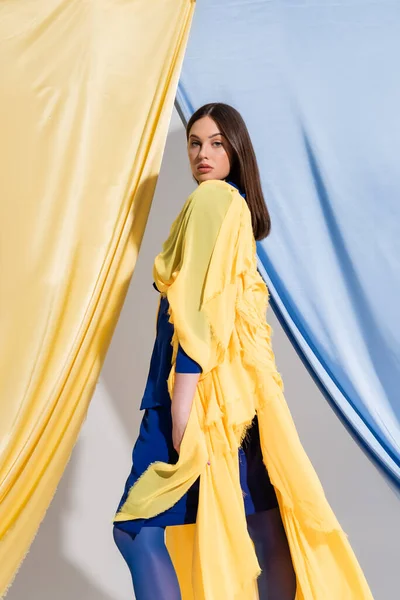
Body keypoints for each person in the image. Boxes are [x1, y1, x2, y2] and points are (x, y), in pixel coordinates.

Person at [113, 103, 373, 600]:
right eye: (194, 142)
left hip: (195, 399)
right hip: (239, 403)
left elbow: (200, 308)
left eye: (215, 142)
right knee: (266, 525)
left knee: (135, 530)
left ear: (236, 149)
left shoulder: (211, 201)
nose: (202, 154)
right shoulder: (235, 208)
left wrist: (183, 402)